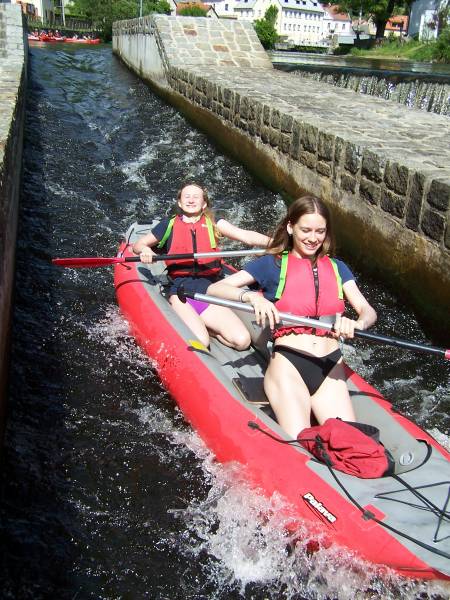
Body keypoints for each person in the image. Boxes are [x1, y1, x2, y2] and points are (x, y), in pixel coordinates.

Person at [208, 195, 377, 438]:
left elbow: (368, 311)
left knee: (349, 442)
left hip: (330, 366)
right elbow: (216, 289)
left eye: (320, 231)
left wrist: (358, 323)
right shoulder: (272, 264)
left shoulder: (338, 267)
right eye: (305, 230)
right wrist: (252, 297)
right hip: (289, 366)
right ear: (291, 227)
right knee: (300, 441)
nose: (313, 238)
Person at [132, 182, 271, 350]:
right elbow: (138, 245)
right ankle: (194, 323)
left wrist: (275, 243)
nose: (191, 200)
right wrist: (146, 251)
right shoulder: (168, 225)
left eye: (196, 197)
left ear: (204, 203)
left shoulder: (214, 223)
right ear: (180, 202)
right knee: (201, 342)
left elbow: (245, 236)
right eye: (187, 197)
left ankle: (210, 329)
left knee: (242, 341)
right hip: (181, 292)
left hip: (209, 291)